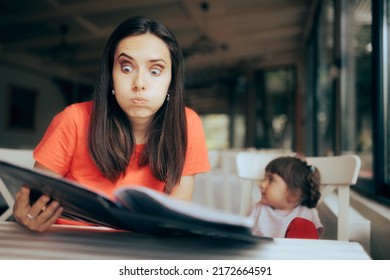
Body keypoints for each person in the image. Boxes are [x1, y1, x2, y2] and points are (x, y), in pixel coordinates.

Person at [12, 16, 210, 232]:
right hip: (70, 244)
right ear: (111, 76)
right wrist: (27, 214)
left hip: (144, 251)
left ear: (171, 81)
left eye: (155, 71)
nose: (139, 84)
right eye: (126, 68)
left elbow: (176, 218)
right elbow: (32, 203)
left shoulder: (186, 123)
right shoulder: (73, 120)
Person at [249, 156, 323, 239]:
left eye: (270, 180)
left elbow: (312, 245)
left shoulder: (307, 214)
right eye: (264, 178)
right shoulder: (259, 209)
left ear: (294, 194)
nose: (262, 184)